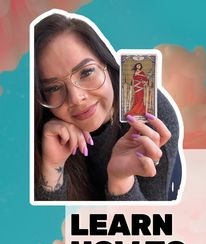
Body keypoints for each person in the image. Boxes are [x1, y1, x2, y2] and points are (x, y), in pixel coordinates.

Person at [34, 12, 180, 201]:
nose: (76, 98)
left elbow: (149, 224)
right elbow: (42, 226)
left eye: (86, 72)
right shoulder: (34, 125)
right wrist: (52, 167)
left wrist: (120, 181)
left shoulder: (149, 113)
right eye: (53, 87)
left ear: (107, 64)